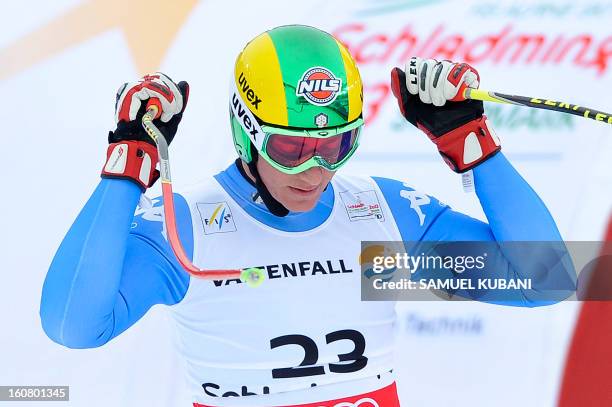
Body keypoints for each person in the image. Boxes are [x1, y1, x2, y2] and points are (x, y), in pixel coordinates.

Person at [40, 25, 572, 407]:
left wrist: (471, 142)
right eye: (291, 149)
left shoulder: (379, 216)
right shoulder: (190, 227)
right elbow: (74, 327)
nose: (316, 170)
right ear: (246, 132)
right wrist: (128, 166)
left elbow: (544, 280)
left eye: (337, 145)